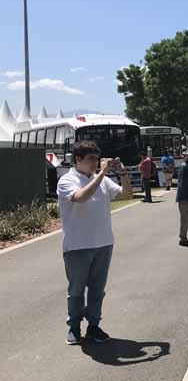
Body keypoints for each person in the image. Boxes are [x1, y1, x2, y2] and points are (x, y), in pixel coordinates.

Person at [56, 141, 133, 345]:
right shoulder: (67, 180)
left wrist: (123, 173)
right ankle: (74, 327)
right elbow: (80, 197)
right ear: (78, 159)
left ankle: (93, 326)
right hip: (77, 245)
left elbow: (127, 194)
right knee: (76, 291)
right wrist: (103, 173)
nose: (95, 163)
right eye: (90, 159)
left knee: (98, 289)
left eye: (97, 159)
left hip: (103, 243)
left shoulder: (103, 181)